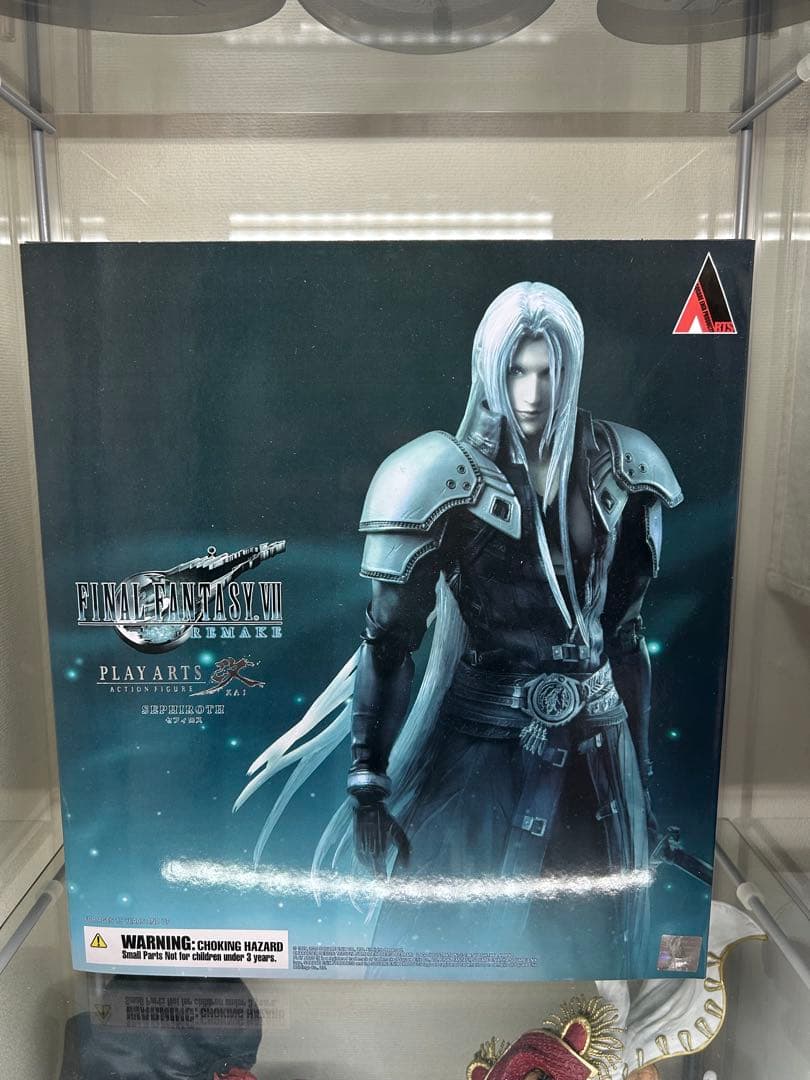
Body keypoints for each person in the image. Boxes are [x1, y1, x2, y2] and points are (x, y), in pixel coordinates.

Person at [235, 280, 682, 976]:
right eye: (517, 371)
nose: (531, 392)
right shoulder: (439, 477)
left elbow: (625, 637)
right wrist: (367, 780)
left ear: (568, 371)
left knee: (597, 944)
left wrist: (643, 787)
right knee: (441, 945)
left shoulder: (621, 468)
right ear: (491, 370)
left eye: (546, 372)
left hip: (600, 752)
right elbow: (389, 643)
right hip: (484, 750)